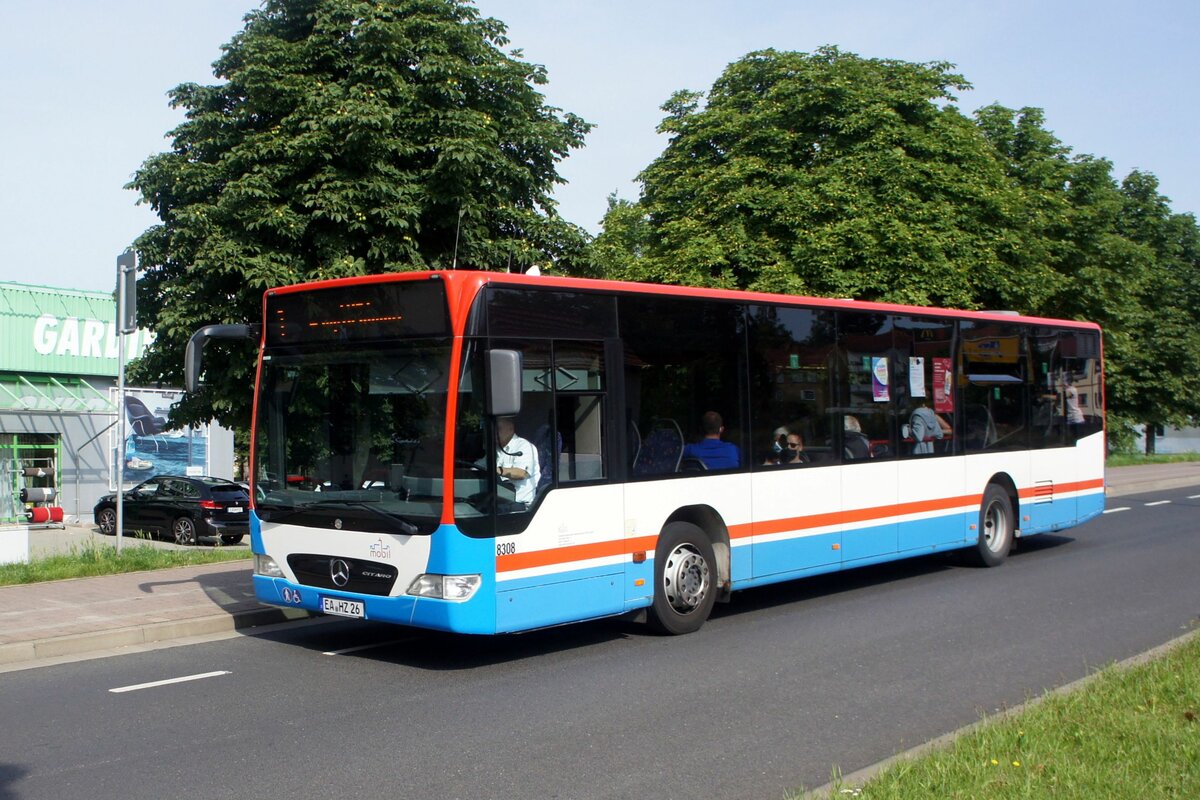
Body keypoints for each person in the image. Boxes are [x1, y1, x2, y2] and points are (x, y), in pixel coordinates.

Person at [494, 417, 540, 506]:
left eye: (498, 428)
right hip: (499, 501)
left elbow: (521, 473)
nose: (494, 432)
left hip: (519, 505)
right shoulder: (496, 448)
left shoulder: (525, 446)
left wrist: (497, 470)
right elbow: (481, 465)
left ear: (511, 428)